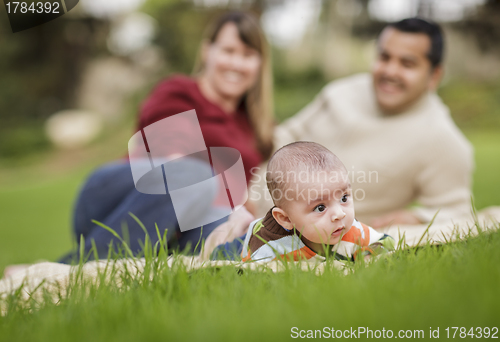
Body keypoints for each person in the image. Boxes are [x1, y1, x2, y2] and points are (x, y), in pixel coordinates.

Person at [57, 11, 274, 263]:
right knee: (197, 176)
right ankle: (66, 269)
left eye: (247, 55)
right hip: (117, 201)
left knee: (241, 234)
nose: (236, 63)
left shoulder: (255, 126)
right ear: (207, 51)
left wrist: (241, 216)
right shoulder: (179, 92)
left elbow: (244, 193)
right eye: (228, 51)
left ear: (259, 63)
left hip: (184, 223)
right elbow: (172, 155)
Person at [249, 18, 474, 229]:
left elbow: (458, 212)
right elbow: (286, 135)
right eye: (384, 57)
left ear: (434, 76)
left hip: (297, 237)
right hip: (243, 197)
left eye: (407, 64)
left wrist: (416, 217)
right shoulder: (340, 92)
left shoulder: (441, 138)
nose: (390, 71)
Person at [206, 142, 395, 262]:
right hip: (248, 241)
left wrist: (371, 256)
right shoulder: (270, 248)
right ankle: (239, 224)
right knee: (217, 252)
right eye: (320, 207)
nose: (339, 214)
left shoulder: (350, 231)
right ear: (286, 218)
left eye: (343, 198)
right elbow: (246, 273)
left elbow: (385, 242)